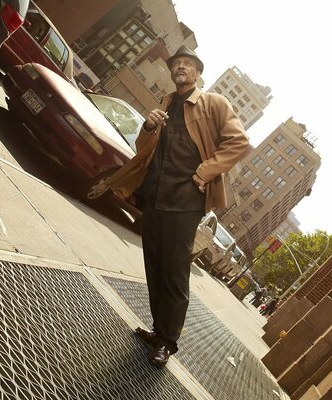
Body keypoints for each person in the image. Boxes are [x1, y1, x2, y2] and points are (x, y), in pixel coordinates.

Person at [88, 46, 249, 368]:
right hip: (156, 197)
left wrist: (204, 172)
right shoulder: (166, 104)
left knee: (174, 275)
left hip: (185, 201)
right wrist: (148, 127)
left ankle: (167, 343)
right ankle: (158, 330)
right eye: (177, 64)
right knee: (155, 268)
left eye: (188, 65)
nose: (181, 68)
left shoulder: (214, 103)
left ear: (198, 73)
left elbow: (239, 142)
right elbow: (144, 148)